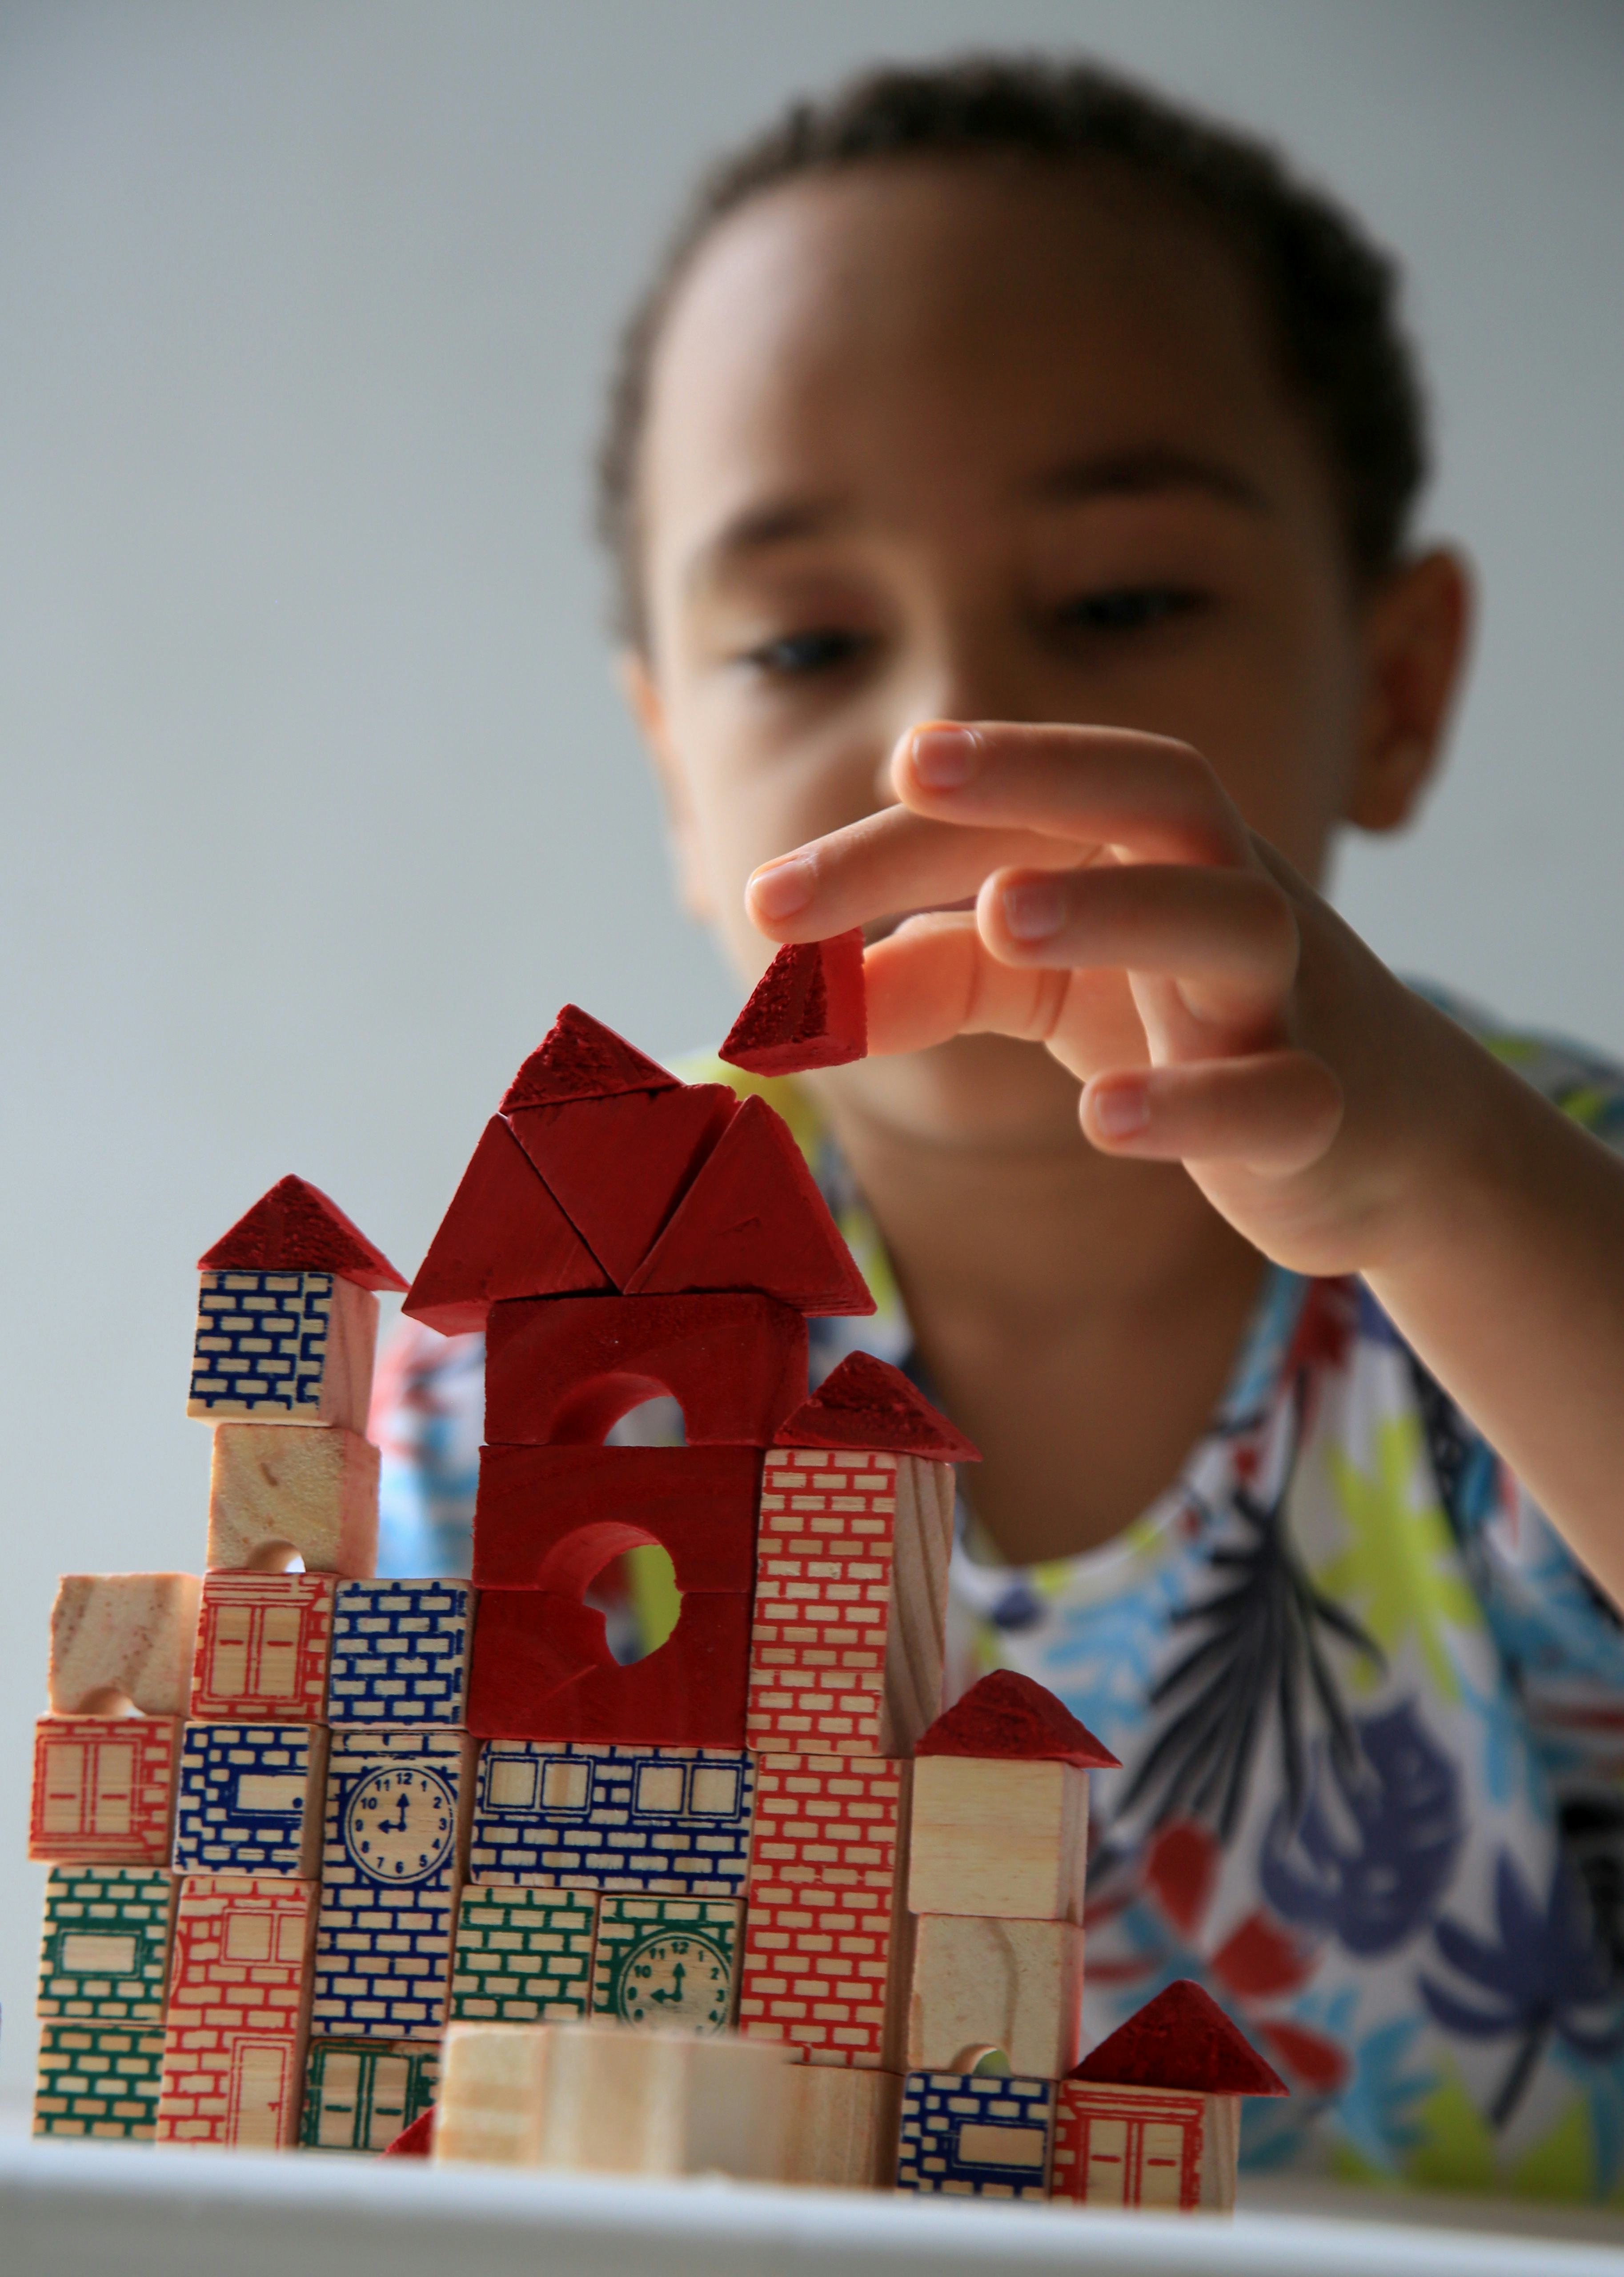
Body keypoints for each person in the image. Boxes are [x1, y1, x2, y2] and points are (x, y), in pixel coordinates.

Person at [377, 56, 1624, 2193]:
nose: (950, 731)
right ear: (676, 771)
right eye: (802, 639)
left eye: (1122, 601)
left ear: (1399, 684)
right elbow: (418, 2081)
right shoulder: (550, 1327)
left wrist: (1427, 1180)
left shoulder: (1537, 1204)